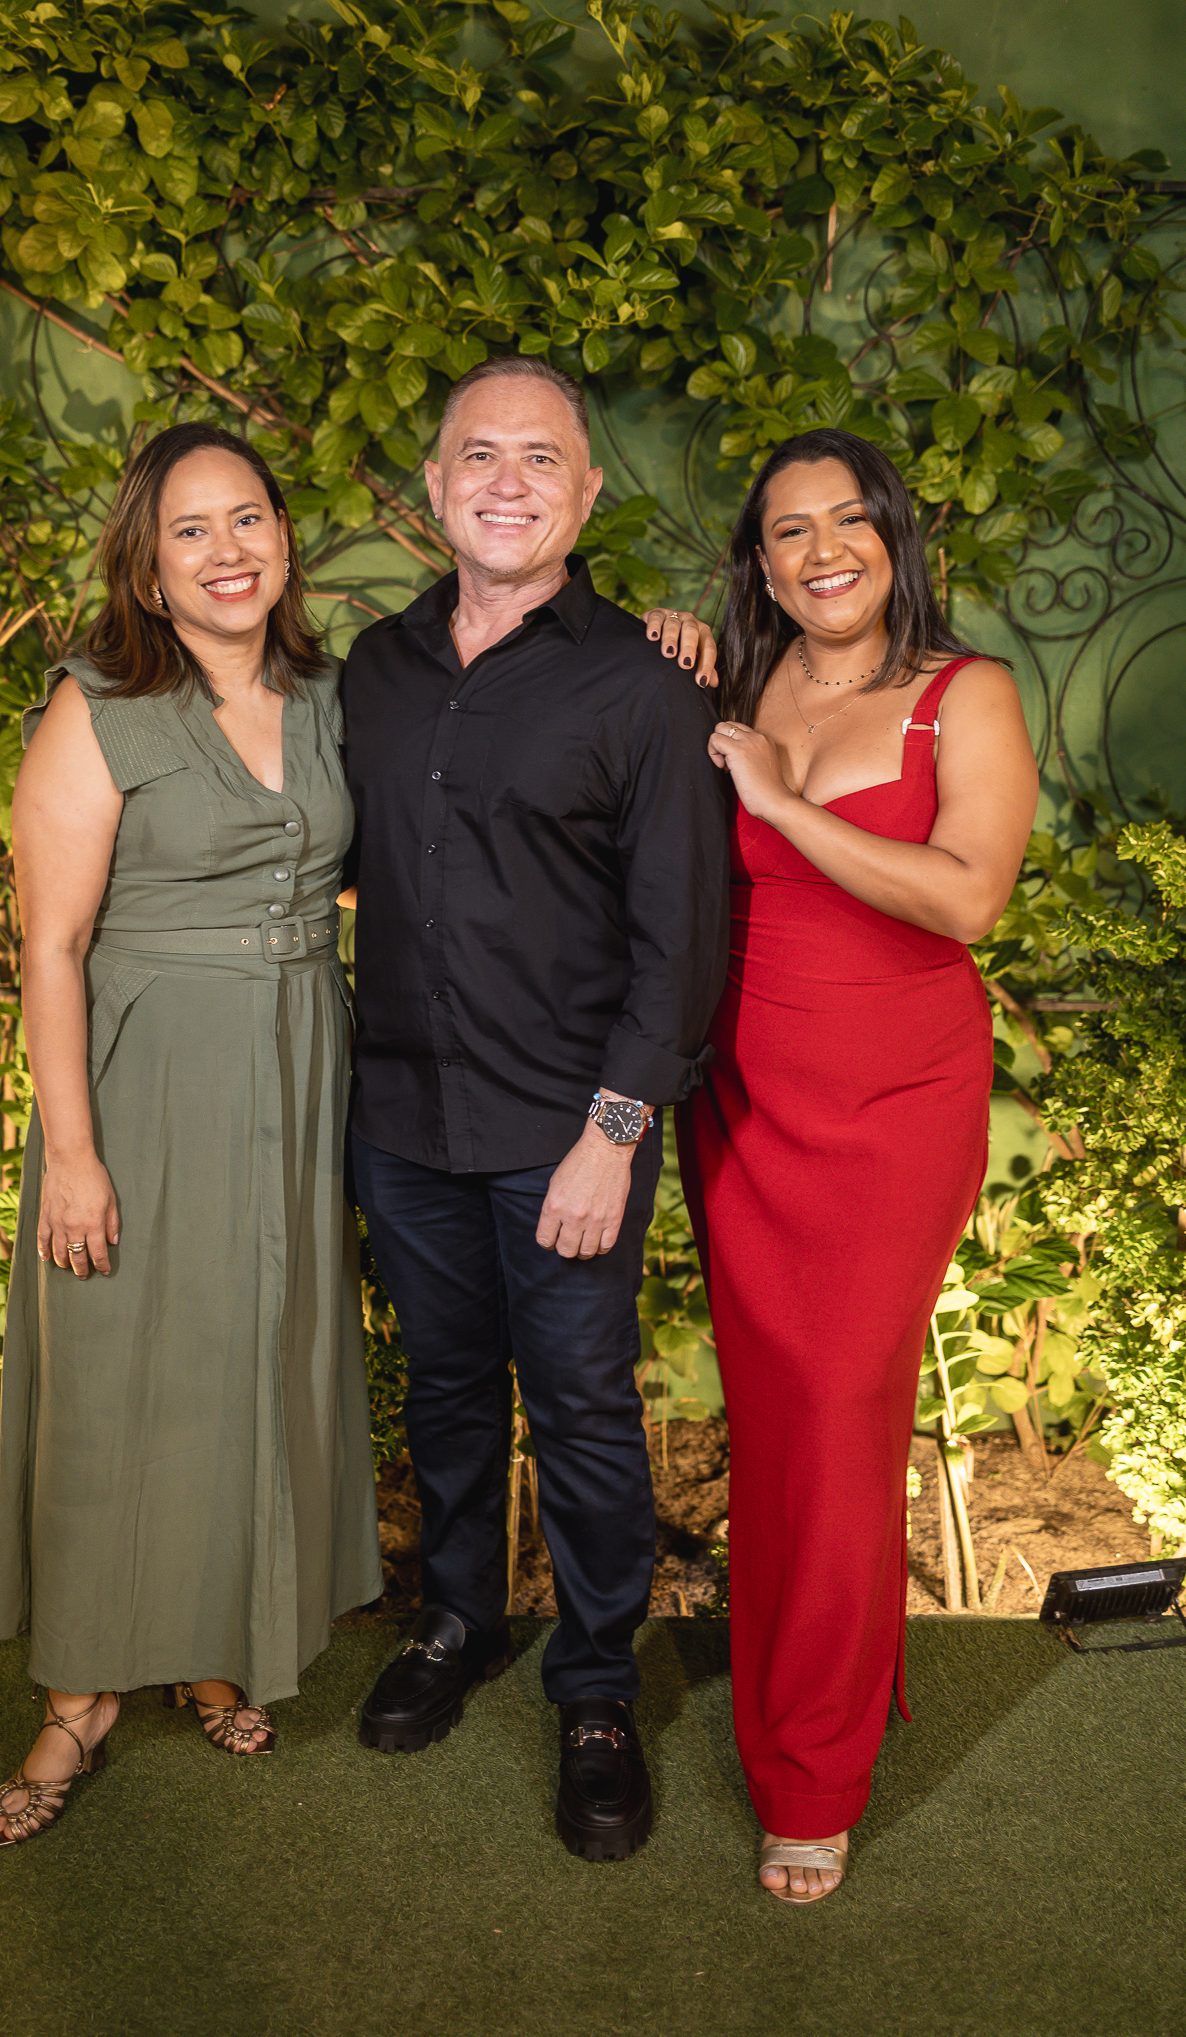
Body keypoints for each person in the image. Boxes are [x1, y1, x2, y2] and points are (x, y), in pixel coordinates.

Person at [341, 356, 730, 1861]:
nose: (507, 483)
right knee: (444, 1393)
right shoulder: (370, 670)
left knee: (578, 1409)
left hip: (570, 1136)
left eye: (541, 458)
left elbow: (678, 942)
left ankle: (595, 1686)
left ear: (587, 492)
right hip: (402, 1124)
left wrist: (611, 1137)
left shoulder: (645, 682)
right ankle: (455, 1621)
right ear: (436, 485)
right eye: (479, 455)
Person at [645, 427, 1038, 1901]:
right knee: (785, 1424)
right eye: (788, 531)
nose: (821, 550)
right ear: (759, 564)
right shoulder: (731, 687)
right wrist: (658, 650)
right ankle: (824, 1698)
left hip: (892, 1100)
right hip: (742, 1096)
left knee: (831, 1409)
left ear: (891, 537)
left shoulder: (962, 695)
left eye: (847, 520)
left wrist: (780, 805)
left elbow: (967, 898)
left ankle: (811, 1771)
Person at [0, 424, 382, 1845]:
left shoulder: (332, 697)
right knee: (118, 1373)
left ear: (283, 538)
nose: (228, 551)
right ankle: (79, 1696)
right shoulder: (96, 707)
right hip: (147, 1071)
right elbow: (52, 946)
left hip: (299, 1060)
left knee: (253, 1357)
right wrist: (73, 1154)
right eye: (192, 531)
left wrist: (657, 638)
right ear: (148, 571)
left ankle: (216, 1644)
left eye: (249, 519)